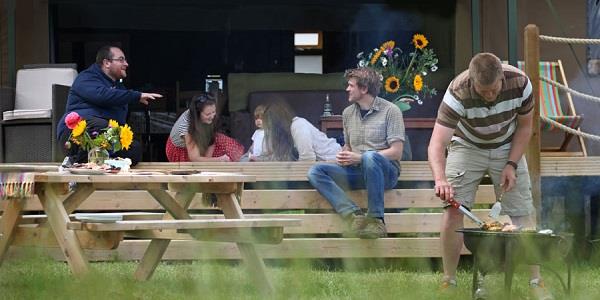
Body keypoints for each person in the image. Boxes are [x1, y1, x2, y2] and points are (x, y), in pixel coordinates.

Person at [428, 52, 553, 299]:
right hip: (466, 145)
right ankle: (448, 280)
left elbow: (526, 127)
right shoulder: (457, 92)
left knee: (523, 211)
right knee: (453, 210)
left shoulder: (520, 83)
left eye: (494, 90)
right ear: (473, 81)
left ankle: (536, 281)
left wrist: (511, 164)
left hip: (507, 144)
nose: (490, 96)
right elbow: (436, 144)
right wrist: (441, 179)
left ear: (501, 80)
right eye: (483, 91)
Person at [307, 67, 404, 239]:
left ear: (364, 89)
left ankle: (376, 221)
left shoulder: (391, 111)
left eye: (351, 86)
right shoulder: (347, 113)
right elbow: (349, 146)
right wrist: (345, 155)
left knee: (369, 157)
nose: (347, 89)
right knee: (315, 171)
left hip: (385, 172)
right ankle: (354, 215)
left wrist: (362, 157)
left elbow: (396, 152)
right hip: (357, 171)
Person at [57, 45, 163, 166]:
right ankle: (77, 161)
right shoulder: (86, 77)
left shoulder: (118, 87)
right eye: (121, 59)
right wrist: (136, 96)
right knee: (101, 125)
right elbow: (102, 95)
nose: (126, 64)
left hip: (105, 136)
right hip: (75, 134)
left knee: (134, 148)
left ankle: (105, 164)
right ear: (107, 62)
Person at [166, 93, 244, 162]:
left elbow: (211, 138)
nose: (212, 116)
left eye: (214, 112)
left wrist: (208, 161)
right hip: (181, 151)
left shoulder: (209, 117)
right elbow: (194, 158)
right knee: (214, 160)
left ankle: (243, 160)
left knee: (224, 142)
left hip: (199, 139)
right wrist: (219, 160)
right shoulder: (187, 127)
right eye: (208, 114)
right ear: (198, 114)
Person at [260, 101, 341, 161]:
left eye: (270, 127)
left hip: (334, 159)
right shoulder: (285, 135)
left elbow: (308, 159)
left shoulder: (298, 126)